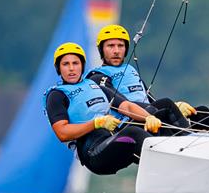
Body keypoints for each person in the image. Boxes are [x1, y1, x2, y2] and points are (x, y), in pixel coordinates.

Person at [86, 24, 209, 135]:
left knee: (199, 112)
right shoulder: (98, 76)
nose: (116, 50)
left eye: (120, 46)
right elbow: (119, 104)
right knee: (166, 103)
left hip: (152, 116)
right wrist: (158, 110)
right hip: (131, 123)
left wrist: (176, 107)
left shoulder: (130, 70)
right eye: (110, 46)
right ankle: (188, 141)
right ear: (101, 50)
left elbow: (150, 99)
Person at [45, 42, 162, 175]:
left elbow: (127, 106)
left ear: (82, 66)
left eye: (75, 63)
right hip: (93, 152)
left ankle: (183, 148)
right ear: (58, 69)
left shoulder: (95, 86)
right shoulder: (56, 95)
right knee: (133, 133)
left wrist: (149, 118)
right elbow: (62, 133)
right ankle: (165, 165)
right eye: (66, 64)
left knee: (158, 114)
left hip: (114, 142)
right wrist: (96, 123)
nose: (71, 68)